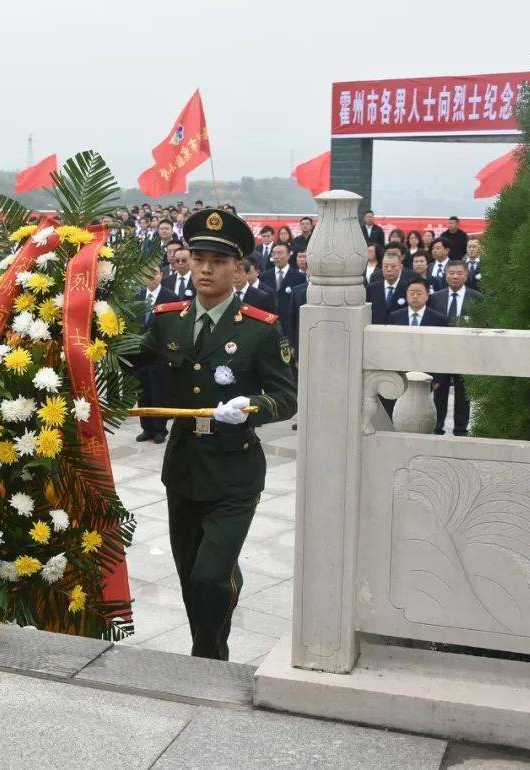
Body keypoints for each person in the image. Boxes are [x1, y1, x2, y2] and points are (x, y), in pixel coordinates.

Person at [135, 207, 296, 660]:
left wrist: (250, 408)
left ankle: (210, 652)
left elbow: (286, 397)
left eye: (219, 261)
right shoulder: (169, 319)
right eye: (198, 257)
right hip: (184, 466)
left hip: (234, 469)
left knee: (210, 575)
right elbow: (131, 363)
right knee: (191, 574)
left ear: (239, 269)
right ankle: (207, 636)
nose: (205, 268)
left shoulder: (260, 329)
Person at [428, 260, 483, 435]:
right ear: (445, 275)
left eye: (459, 273)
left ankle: (460, 429)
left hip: (465, 353)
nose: (455, 276)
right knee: (439, 391)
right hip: (442, 353)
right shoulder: (436, 297)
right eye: (451, 273)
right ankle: (437, 426)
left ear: (466, 275)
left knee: (463, 393)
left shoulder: (477, 298)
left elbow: (483, 325)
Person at [134, 268, 177, 444]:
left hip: (159, 354)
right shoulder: (136, 296)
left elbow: (174, 325)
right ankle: (147, 428)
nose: (151, 276)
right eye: (147, 273)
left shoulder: (170, 297)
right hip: (138, 354)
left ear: (161, 275)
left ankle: (160, 429)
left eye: (155, 273)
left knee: (159, 393)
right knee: (142, 393)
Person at [258, 243, 305, 331]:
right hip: (269, 323)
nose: (276, 256)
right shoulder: (264, 276)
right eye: (274, 253)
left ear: (288, 255)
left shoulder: (299, 277)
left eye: (280, 253)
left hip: (290, 324)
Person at [366, 249, 408, 324]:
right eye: (385, 266)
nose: (389, 269)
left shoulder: (407, 288)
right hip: (377, 330)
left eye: (393, 266)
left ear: (400, 267)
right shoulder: (371, 288)